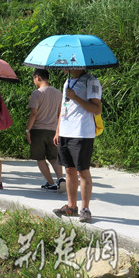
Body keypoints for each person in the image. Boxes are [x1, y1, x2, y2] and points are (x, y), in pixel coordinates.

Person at [53, 69, 102, 223]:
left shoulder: (91, 81)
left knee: (83, 171)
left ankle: (85, 209)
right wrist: (58, 130)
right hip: (65, 133)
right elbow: (63, 107)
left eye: (68, 62)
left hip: (82, 133)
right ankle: (71, 206)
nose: (63, 66)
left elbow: (96, 109)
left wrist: (75, 97)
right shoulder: (67, 81)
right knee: (69, 169)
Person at [26, 69, 65, 191]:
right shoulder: (59, 93)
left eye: (33, 79)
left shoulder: (36, 94)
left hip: (38, 130)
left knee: (40, 158)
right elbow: (60, 114)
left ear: (37, 77)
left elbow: (33, 114)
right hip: (53, 130)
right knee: (54, 157)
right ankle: (60, 178)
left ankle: (51, 183)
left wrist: (28, 130)